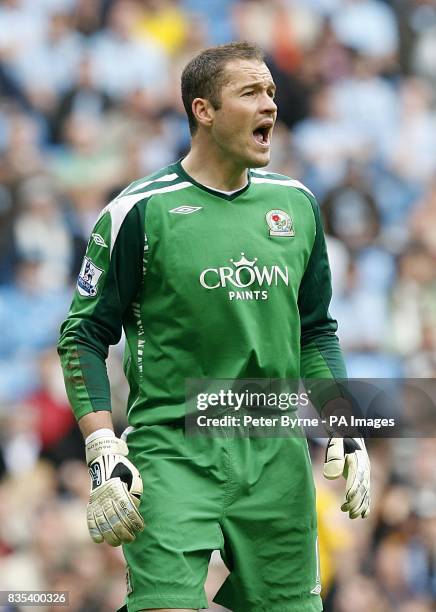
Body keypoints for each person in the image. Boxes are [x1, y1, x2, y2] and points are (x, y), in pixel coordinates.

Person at [58, 41, 370, 612]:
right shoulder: (138, 212)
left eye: (272, 92)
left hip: (277, 454)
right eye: (251, 93)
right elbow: (81, 335)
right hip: (173, 450)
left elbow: (316, 331)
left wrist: (343, 423)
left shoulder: (297, 205)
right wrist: (101, 443)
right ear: (203, 111)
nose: (270, 105)